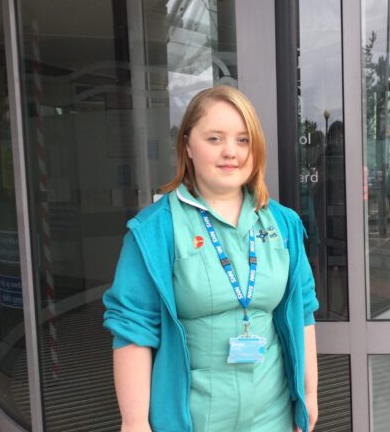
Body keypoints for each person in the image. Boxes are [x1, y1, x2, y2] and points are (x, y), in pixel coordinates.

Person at [103, 86, 319, 432]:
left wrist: (309, 394)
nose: (230, 152)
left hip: (272, 416)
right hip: (192, 420)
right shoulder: (154, 231)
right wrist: (134, 422)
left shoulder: (283, 224)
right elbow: (133, 330)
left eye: (243, 140)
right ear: (188, 145)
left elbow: (303, 312)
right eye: (215, 139)